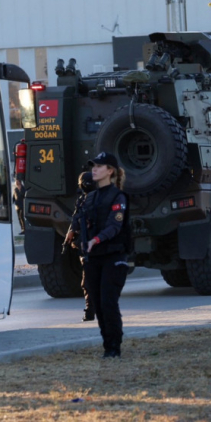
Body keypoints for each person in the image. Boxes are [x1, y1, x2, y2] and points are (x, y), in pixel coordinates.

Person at [71, 152, 130, 358]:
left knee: (108, 302)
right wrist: (77, 225)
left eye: (99, 166)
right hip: (93, 257)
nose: (94, 169)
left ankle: (114, 346)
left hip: (113, 256)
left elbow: (115, 226)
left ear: (110, 171)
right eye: (93, 166)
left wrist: (94, 240)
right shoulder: (90, 197)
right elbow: (80, 223)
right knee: (97, 302)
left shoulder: (118, 197)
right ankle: (107, 345)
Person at [64, 171, 97, 322]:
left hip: (96, 246)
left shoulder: (94, 200)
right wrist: (71, 233)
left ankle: (93, 310)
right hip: (90, 246)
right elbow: (76, 220)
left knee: (91, 282)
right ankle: (91, 310)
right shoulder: (84, 200)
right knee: (90, 281)